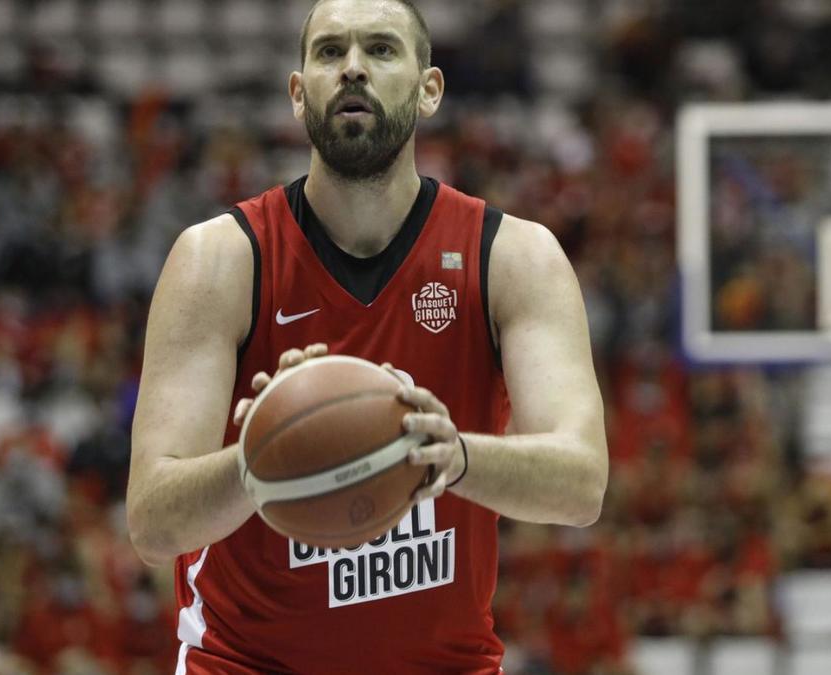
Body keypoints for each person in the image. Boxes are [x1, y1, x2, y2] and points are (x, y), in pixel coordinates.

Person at [124, 0, 608, 672]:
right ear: (298, 95)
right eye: (329, 52)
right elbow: (152, 521)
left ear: (428, 87)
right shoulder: (220, 259)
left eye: (380, 49)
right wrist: (267, 453)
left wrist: (452, 453)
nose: (352, 68)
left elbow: (582, 482)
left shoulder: (513, 257)